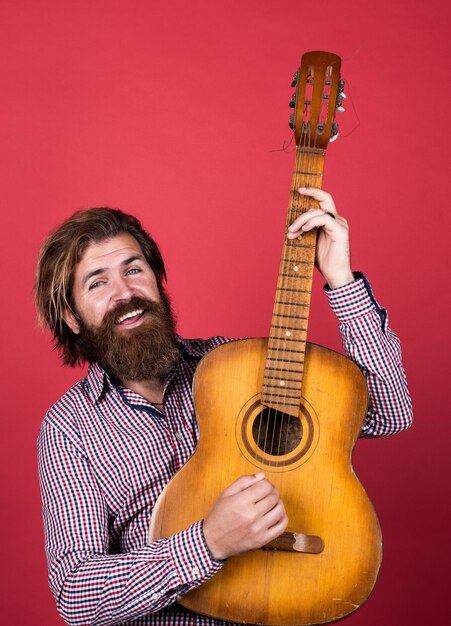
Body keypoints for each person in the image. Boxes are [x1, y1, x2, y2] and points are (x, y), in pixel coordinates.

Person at [35, 187, 412, 626]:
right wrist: (208, 543)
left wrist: (342, 281)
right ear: (72, 316)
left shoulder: (241, 365)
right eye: (97, 282)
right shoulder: (69, 428)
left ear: (158, 280)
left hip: (297, 602)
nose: (124, 293)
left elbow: (389, 413)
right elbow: (76, 593)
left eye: (134, 269)